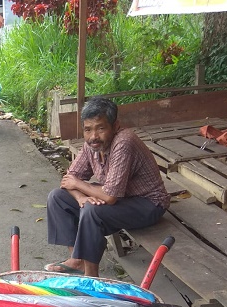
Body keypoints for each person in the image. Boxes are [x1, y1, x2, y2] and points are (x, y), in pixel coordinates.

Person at [44, 97, 170, 277]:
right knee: (57, 197)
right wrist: (80, 197)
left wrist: (80, 186)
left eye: (101, 128)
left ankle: (91, 276)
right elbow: (68, 180)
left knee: (91, 210)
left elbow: (109, 196)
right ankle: (77, 259)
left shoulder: (124, 142)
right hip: (122, 198)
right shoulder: (92, 144)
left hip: (148, 204)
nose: (93, 136)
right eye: (88, 130)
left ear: (115, 126)